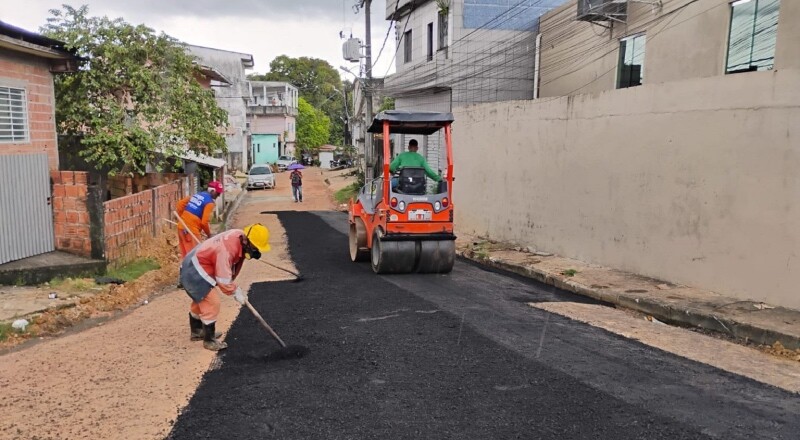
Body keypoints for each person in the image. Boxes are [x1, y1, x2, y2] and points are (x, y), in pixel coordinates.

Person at [180, 223, 270, 351]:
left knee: (200, 299)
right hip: (194, 271)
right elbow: (223, 279)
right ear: (246, 241)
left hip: (199, 263)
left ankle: (197, 331)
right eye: (254, 247)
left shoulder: (240, 236)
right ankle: (209, 340)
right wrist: (235, 291)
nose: (255, 249)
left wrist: (250, 253)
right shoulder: (226, 250)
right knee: (212, 302)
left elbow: (233, 265)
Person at [176, 181, 223, 258]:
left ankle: (185, 269)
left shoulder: (197, 195)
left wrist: (182, 219)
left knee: (186, 256)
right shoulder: (209, 203)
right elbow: (204, 222)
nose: (218, 195)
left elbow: (180, 204)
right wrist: (209, 234)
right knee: (195, 257)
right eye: (217, 193)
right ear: (212, 191)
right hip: (191, 230)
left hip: (181, 227)